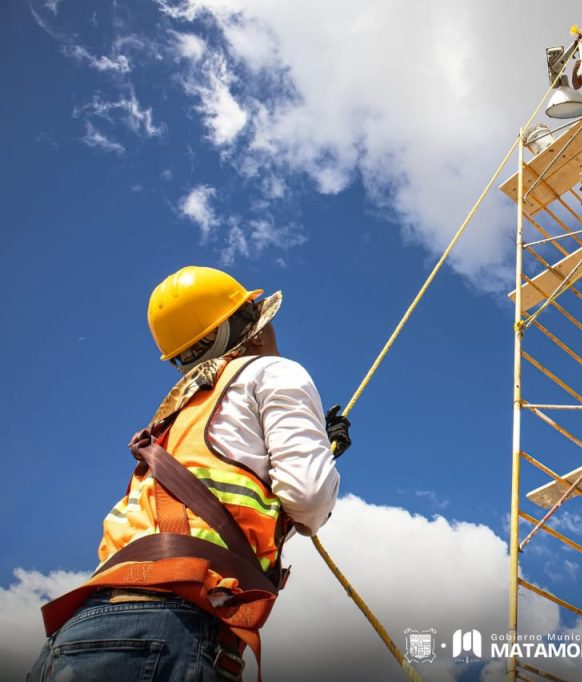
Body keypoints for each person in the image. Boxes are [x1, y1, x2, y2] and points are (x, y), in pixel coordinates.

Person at [29, 266, 348, 681]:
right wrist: (321, 454)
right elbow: (308, 498)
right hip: (171, 625)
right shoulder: (274, 371)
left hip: (80, 627)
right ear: (253, 332)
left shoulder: (172, 423)